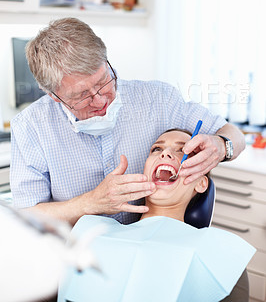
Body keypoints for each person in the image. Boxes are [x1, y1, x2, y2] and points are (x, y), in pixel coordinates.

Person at [10, 17, 245, 226]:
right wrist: (90, 203)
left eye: (104, 81)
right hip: (78, 257)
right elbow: (26, 218)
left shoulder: (158, 100)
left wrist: (222, 145)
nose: (100, 99)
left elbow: (233, 134)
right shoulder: (31, 128)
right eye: (81, 95)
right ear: (54, 95)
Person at [57, 129, 254, 302]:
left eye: (182, 150)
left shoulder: (221, 255)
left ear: (201, 183)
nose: (166, 153)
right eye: (156, 150)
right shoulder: (91, 232)